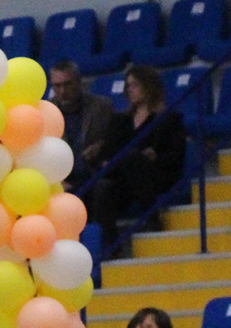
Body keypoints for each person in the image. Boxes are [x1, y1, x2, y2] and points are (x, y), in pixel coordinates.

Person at [86, 65, 187, 255]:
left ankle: (152, 216)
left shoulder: (169, 118)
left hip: (156, 175)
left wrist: (155, 156)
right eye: (128, 85)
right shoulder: (121, 120)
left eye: (135, 85)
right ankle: (111, 248)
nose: (130, 89)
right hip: (124, 178)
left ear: (149, 86)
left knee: (131, 156)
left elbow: (175, 155)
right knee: (103, 187)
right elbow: (107, 153)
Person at [48, 58, 113, 190]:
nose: (62, 91)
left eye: (67, 84)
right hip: (60, 179)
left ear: (78, 82)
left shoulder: (101, 107)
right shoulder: (46, 112)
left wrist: (101, 147)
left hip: (94, 175)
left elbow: (114, 139)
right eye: (57, 86)